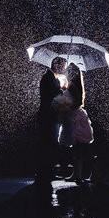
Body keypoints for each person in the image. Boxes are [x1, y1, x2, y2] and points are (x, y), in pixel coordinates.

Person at [52, 63, 94, 185]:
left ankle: (79, 174)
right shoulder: (76, 85)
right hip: (77, 117)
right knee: (78, 149)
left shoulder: (73, 86)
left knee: (78, 148)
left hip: (75, 118)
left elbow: (75, 102)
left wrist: (64, 100)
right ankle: (78, 174)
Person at [36, 56, 67, 184]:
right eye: (63, 66)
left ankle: (46, 171)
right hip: (48, 115)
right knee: (49, 143)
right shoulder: (48, 78)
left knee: (49, 143)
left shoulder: (51, 77)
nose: (64, 69)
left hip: (49, 115)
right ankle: (46, 172)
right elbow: (49, 95)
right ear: (57, 65)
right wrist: (62, 90)